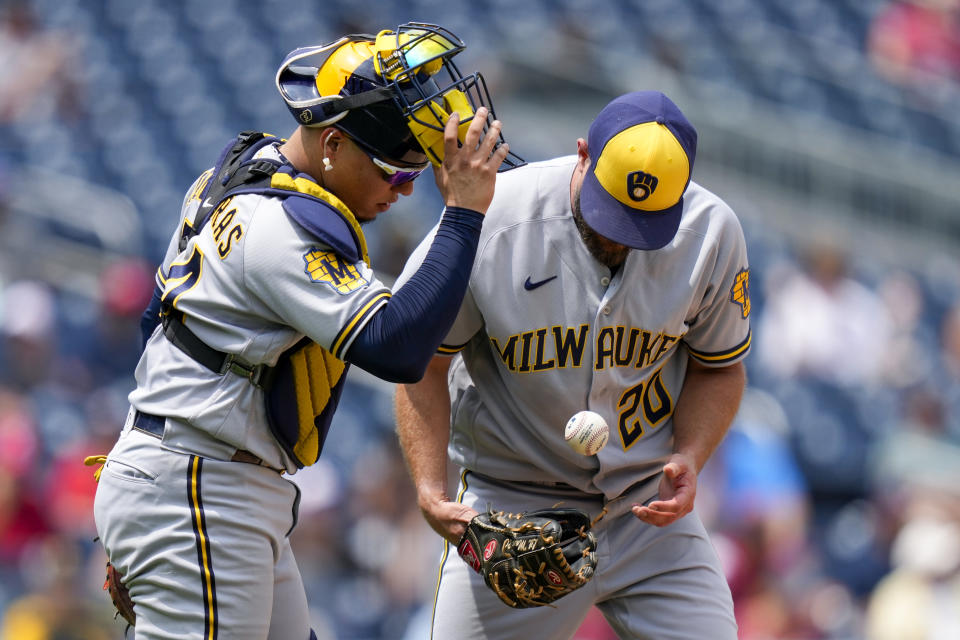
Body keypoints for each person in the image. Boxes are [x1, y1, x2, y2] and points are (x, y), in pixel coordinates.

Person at [90, 22, 512, 639]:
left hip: (198, 481)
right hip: (200, 485)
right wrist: (464, 214)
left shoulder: (239, 170)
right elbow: (398, 346)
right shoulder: (277, 225)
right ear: (333, 144)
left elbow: (158, 322)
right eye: (394, 172)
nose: (403, 190)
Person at [395, 90, 751, 639]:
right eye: (611, 209)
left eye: (642, 223)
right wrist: (428, 488)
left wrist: (691, 454)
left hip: (647, 509)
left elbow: (718, 366)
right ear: (583, 154)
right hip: (515, 510)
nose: (617, 235)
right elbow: (422, 359)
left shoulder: (711, 234)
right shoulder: (493, 217)